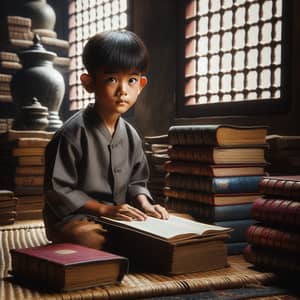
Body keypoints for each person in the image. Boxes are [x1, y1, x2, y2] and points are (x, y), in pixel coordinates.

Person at [43, 30, 168, 250]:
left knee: (171, 228)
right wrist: (104, 210)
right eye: (111, 79)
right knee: (88, 238)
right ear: (89, 82)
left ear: (141, 85)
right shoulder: (71, 133)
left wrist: (145, 204)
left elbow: (136, 183)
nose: (123, 91)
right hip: (76, 218)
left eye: (131, 80)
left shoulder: (131, 135)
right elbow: (59, 191)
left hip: (119, 215)